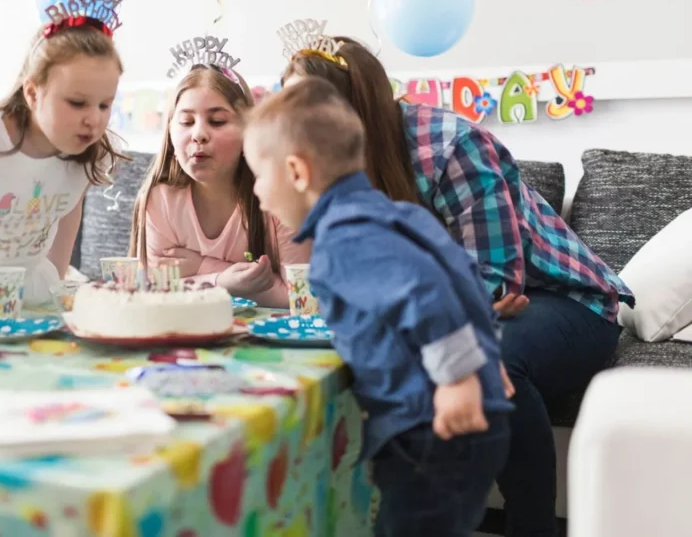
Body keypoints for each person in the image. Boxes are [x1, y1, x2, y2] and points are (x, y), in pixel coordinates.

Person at [283, 36, 631, 537]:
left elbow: (494, 279)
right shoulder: (328, 168)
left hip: (570, 301)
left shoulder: (448, 145)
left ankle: (534, 527)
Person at [244, 76, 512, 536]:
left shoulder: (346, 238)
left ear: (296, 173)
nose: (256, 193)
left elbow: (425, 292)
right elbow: (462, 276)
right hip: (469, 419)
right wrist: (486, 358)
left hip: (431, 427)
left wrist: (458, 377)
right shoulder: (399, 214)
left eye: (257, 175)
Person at [0, 11, 124, 317]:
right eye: (77, 103)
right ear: (32, 93)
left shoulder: (86, 152)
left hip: (31, 291)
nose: (94, 119)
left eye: (105, 104)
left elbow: (68, 208)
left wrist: (57, 281)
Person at [129, 64, 308, 308]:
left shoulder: (279, 195)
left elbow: (300, 297)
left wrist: (203, 268)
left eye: (217, 121)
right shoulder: (160, 200)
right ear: (169, 131)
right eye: (186, 121)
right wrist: (222, 280)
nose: (199, 134)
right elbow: (154, 291)